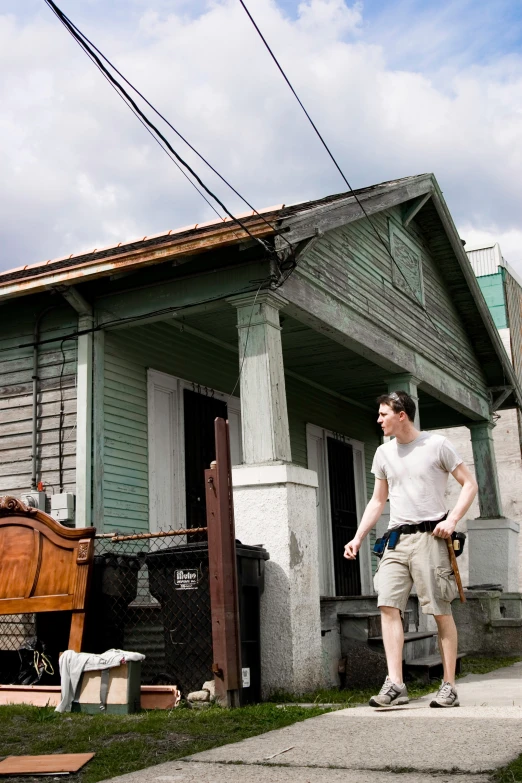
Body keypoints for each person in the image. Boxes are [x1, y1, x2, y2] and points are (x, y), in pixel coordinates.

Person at [344, 390, 478, 708]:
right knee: (388, 605)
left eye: (383, 414)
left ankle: (449, 685)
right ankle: (396, 684)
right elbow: (378, 501)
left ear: (401, 414)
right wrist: (358, 536)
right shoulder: (383, 454)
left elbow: (469, 484)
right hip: (395, 539)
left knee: (439, 611)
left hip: (431, 538)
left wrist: (453, 519)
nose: (378, 419)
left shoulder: (437, 446)